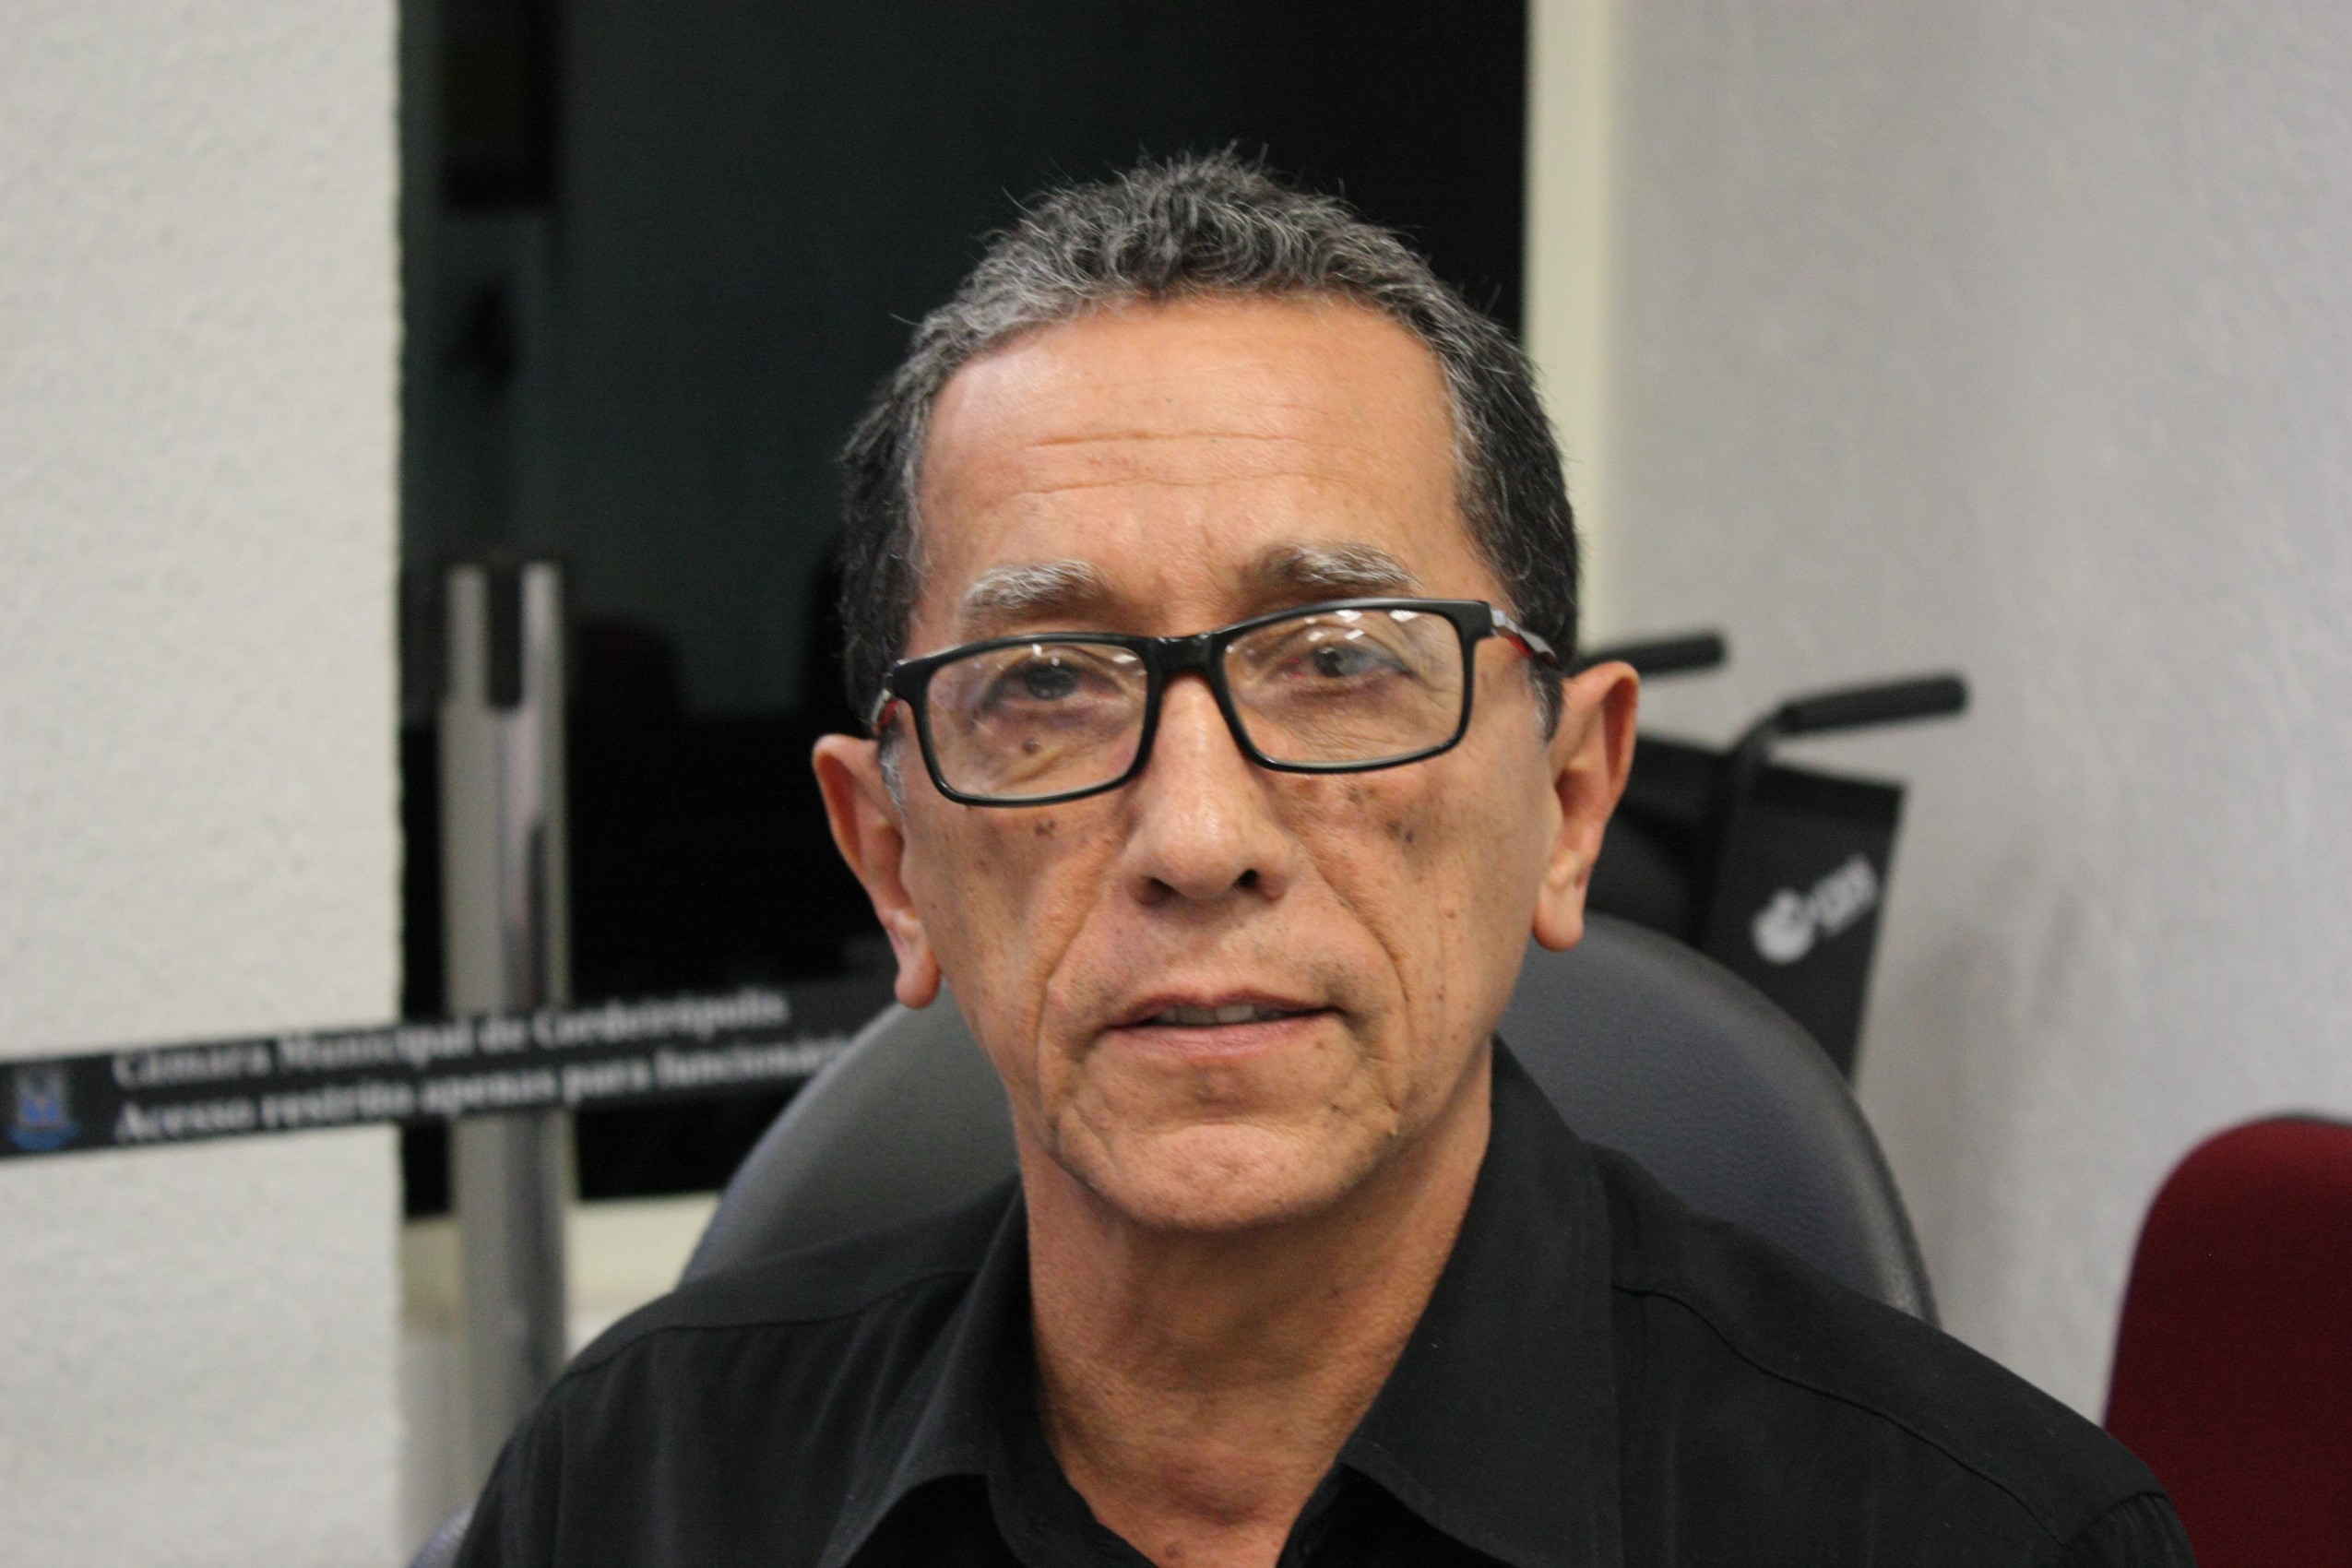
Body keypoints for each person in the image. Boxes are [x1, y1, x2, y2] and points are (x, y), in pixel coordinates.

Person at [453, 155, 2192, 1568]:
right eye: (1044, 685)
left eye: (1341, 661)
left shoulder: (1980, 1537)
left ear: (1569, 799)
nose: (1196, 839)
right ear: (891, 859)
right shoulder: (636, 1491)